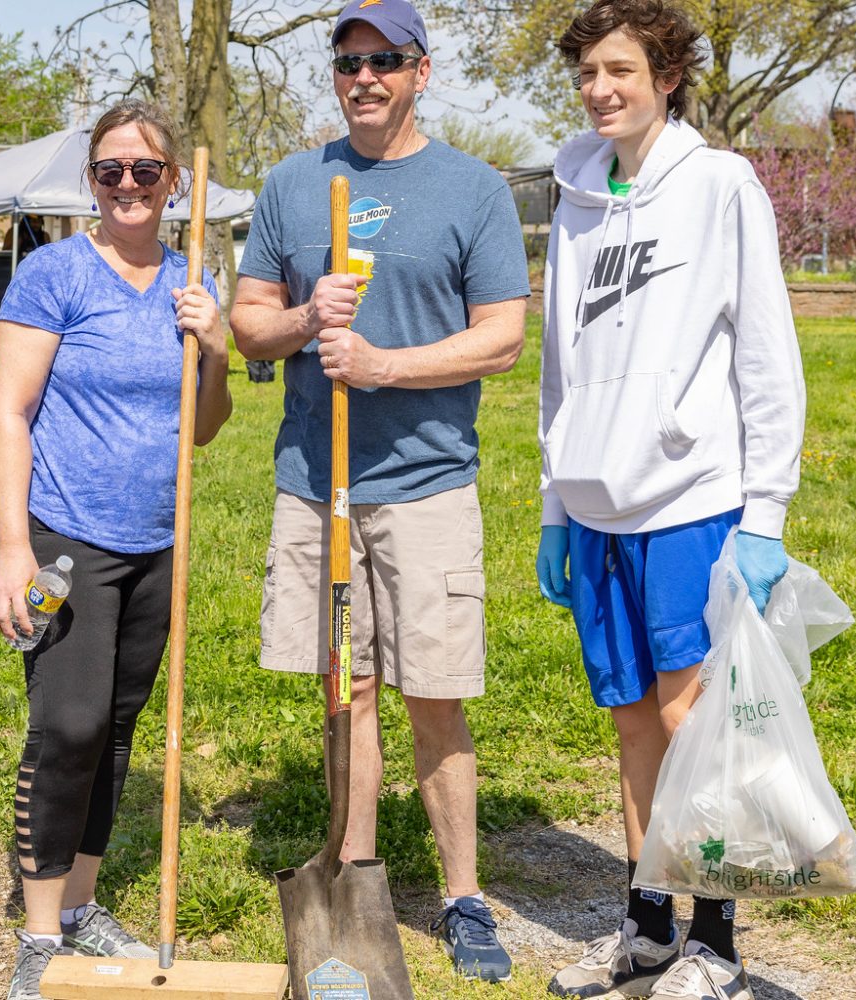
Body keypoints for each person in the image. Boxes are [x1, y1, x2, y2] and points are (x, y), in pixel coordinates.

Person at [228, 0, 531, 983]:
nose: (363, 76)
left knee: (432, 694)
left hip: (426, 485)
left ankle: (460, 894)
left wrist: (381, 365)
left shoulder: (470, 189)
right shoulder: (292, 183)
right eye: (348, 60)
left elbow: (501, 335)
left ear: (420, 71)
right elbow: (247, 324)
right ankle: (352, 869)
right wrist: (306, 312)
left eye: (384, 60)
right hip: (318, 486)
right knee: (343, 688)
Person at [534, 2, 805, 998]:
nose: (600, 88)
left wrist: (764, 513)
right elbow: (559, 366)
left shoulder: (720, 186)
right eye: (587, 73)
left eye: (619, 70)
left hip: (690, 497)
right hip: (595, 502)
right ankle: (647, 927)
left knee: (694, 720)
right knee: (634, 724)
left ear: (665, 75)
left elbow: (766, 354)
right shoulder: (572, 194)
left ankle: (714, 944)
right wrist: (554, 504)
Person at [0, 99, 233, 1000]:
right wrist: (15, 549)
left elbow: (204, 431)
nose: (127, 186)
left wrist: (214, 348)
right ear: (90, 180)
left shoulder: (193, 279)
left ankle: (83, 904)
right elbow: (9, 411)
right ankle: (41, 932)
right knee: (69, 724)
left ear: (174, 182)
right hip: (64, 539)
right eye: (109, 171)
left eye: (145, 171)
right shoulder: (55, 276)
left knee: (118, 730)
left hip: (158, 542)